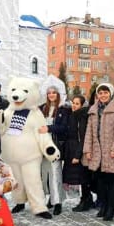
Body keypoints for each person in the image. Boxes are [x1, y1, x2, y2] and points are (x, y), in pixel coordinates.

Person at [83, 83, 114, 221]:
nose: (103, 95)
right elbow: (89, 131)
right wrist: (87, 150)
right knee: (100, 181)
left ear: (111, 93)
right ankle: (103, 205)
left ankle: (110, 208)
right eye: (100, 93)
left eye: (105, 92)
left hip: (111, 151)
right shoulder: (93, 110)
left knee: (112, 181)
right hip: (97, 151)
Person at [39, 86, 70, 215]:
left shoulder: (63, 109)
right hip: (41, 145)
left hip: (55, 146)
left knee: (55, 173)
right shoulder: (42, 108)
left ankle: (58, 202)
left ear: (58, 94)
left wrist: (49, 128)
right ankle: (51, 199)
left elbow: (64, 127)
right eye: (49, 93)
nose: (51, 95)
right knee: (44, 174)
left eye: (54, 93)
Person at [62, 95, 93, 212]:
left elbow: (83, 137)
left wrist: (77, 155)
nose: (74, 105)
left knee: (83, 178)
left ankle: (86, 200)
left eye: (77, 103)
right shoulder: (72, 115)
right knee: (77, 178)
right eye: (73, 103)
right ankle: (84, 199)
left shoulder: (82, 117)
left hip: (78, 150)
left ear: (82, 105)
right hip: (70, 149)